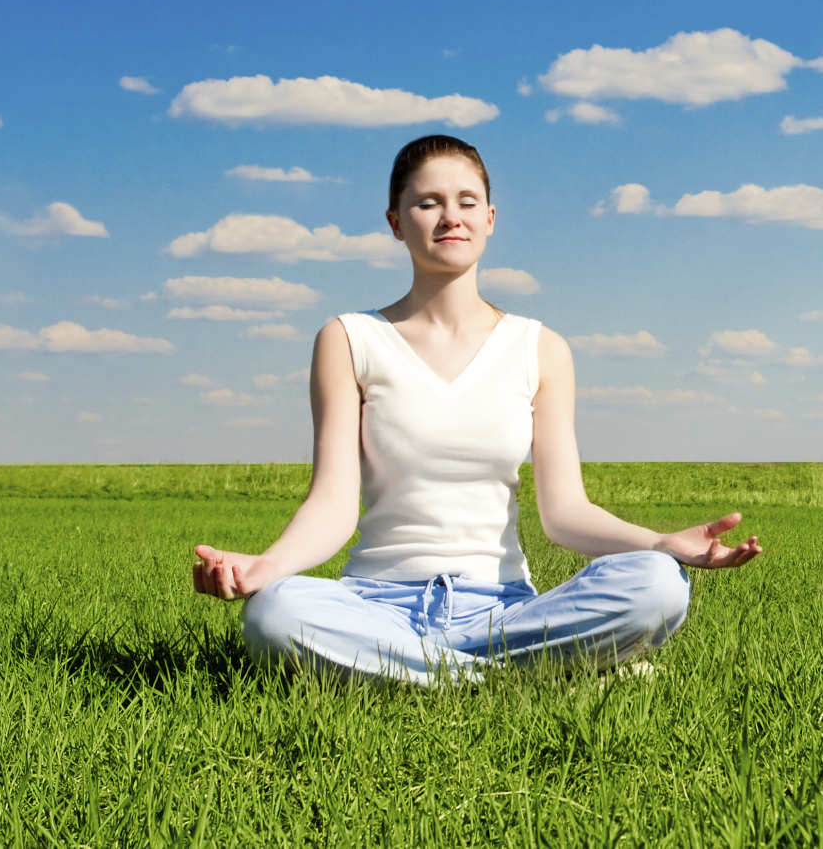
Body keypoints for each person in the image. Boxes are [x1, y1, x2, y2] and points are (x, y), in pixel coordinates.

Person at [192, 134, 761, 684]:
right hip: (376, 606)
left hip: (503, 611)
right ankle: (533, 675)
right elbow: (333, 505)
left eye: (467, 202)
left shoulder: (541, 348)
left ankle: (423, 671)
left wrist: (661, 544)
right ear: (395, 221)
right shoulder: (349, 339)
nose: (450, 217)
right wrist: (266, 569)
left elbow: (564, 514)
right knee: (275, 613)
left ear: (490, 218)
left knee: (659, 585)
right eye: (427, 203)